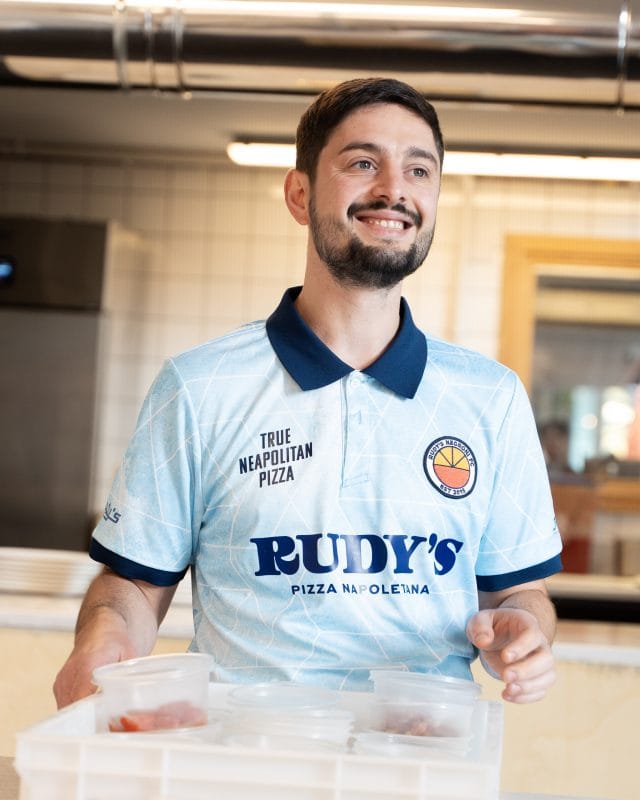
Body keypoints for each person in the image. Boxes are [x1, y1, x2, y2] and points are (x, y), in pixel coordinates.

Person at [54, 77, 562, 709]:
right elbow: (132, 583)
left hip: (422, 749)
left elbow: (519, 592)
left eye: (419, 170)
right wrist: (103, 639)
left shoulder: (491, 398)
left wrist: (526, 630)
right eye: (363, 163)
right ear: (300, 194)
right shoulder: (199, 387)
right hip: (245, 750)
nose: (395, 189)